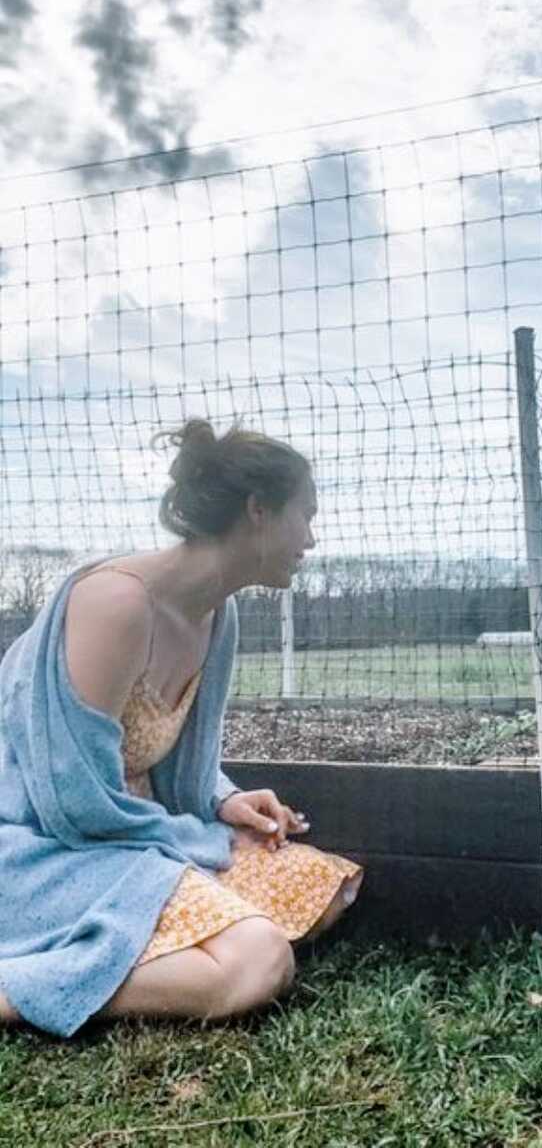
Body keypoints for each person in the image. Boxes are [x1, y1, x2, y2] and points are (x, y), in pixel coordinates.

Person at [0, 419, 362, 1037]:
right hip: (43, 843)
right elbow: (70, 800)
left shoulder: (216, 617)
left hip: (126, 834)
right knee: (259, 960)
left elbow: (159, 751)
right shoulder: (115, 605)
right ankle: (20, 989)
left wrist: (222, 800)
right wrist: (192, 839)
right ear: (257, 510)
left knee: (326, 887)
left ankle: (148, 943)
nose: (311, 537)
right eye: (305, 515)